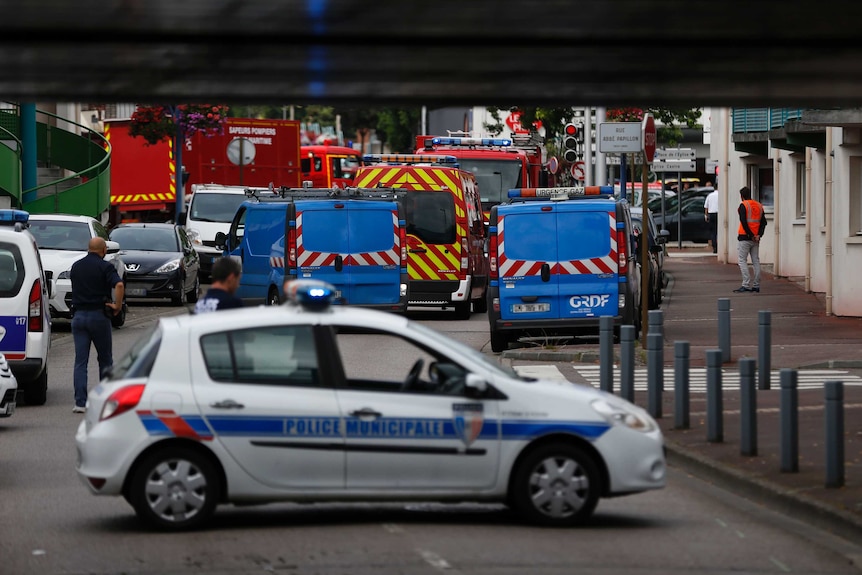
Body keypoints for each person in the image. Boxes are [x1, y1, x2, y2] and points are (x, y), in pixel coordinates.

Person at [69, 237, 124, 413]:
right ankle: (104, 400)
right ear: (103, 250)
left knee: (80, 361)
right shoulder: (106, 267)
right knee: (105, 359)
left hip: (78, 317)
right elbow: (119, 285)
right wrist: (117, 305)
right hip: (99, 316)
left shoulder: (76, 266)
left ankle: (80, 403)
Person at [734, 186, 768, 293]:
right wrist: (758, 235)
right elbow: (764, 223)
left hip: (745, 237)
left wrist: (750, 235)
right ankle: (756, 285)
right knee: (755, 261)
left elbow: (743, 222)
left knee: (742, 260)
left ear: (742, 196)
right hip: (756, 239)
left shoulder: (743, 205)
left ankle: (746, 284)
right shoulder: (759, 206)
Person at [704, 182, 719, 254]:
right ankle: (719, 246)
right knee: (720, 231)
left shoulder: (710, 196)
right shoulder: (721, 195)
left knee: (713, 231)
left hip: (711, 213)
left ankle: (714, 247)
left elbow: (706, 207)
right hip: (719, 213)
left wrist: (706, 216)